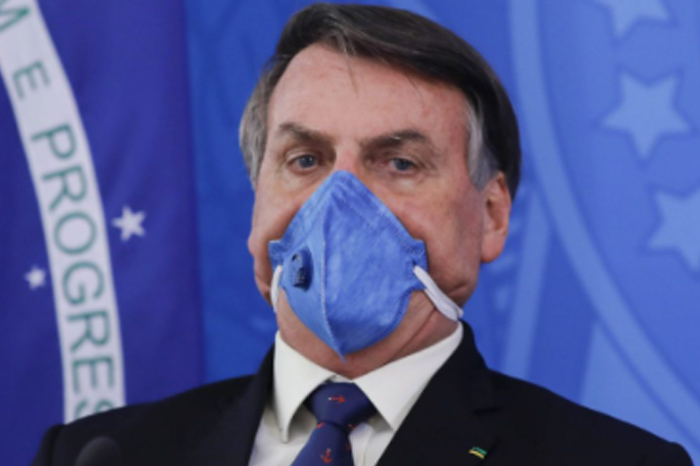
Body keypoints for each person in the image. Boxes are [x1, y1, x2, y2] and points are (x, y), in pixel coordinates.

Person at [32, 3, 693, 466]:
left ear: (492, 215)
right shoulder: (97, 456)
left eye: (399, 163)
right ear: (257, 200)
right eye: (306, 160)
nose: (339, 201)